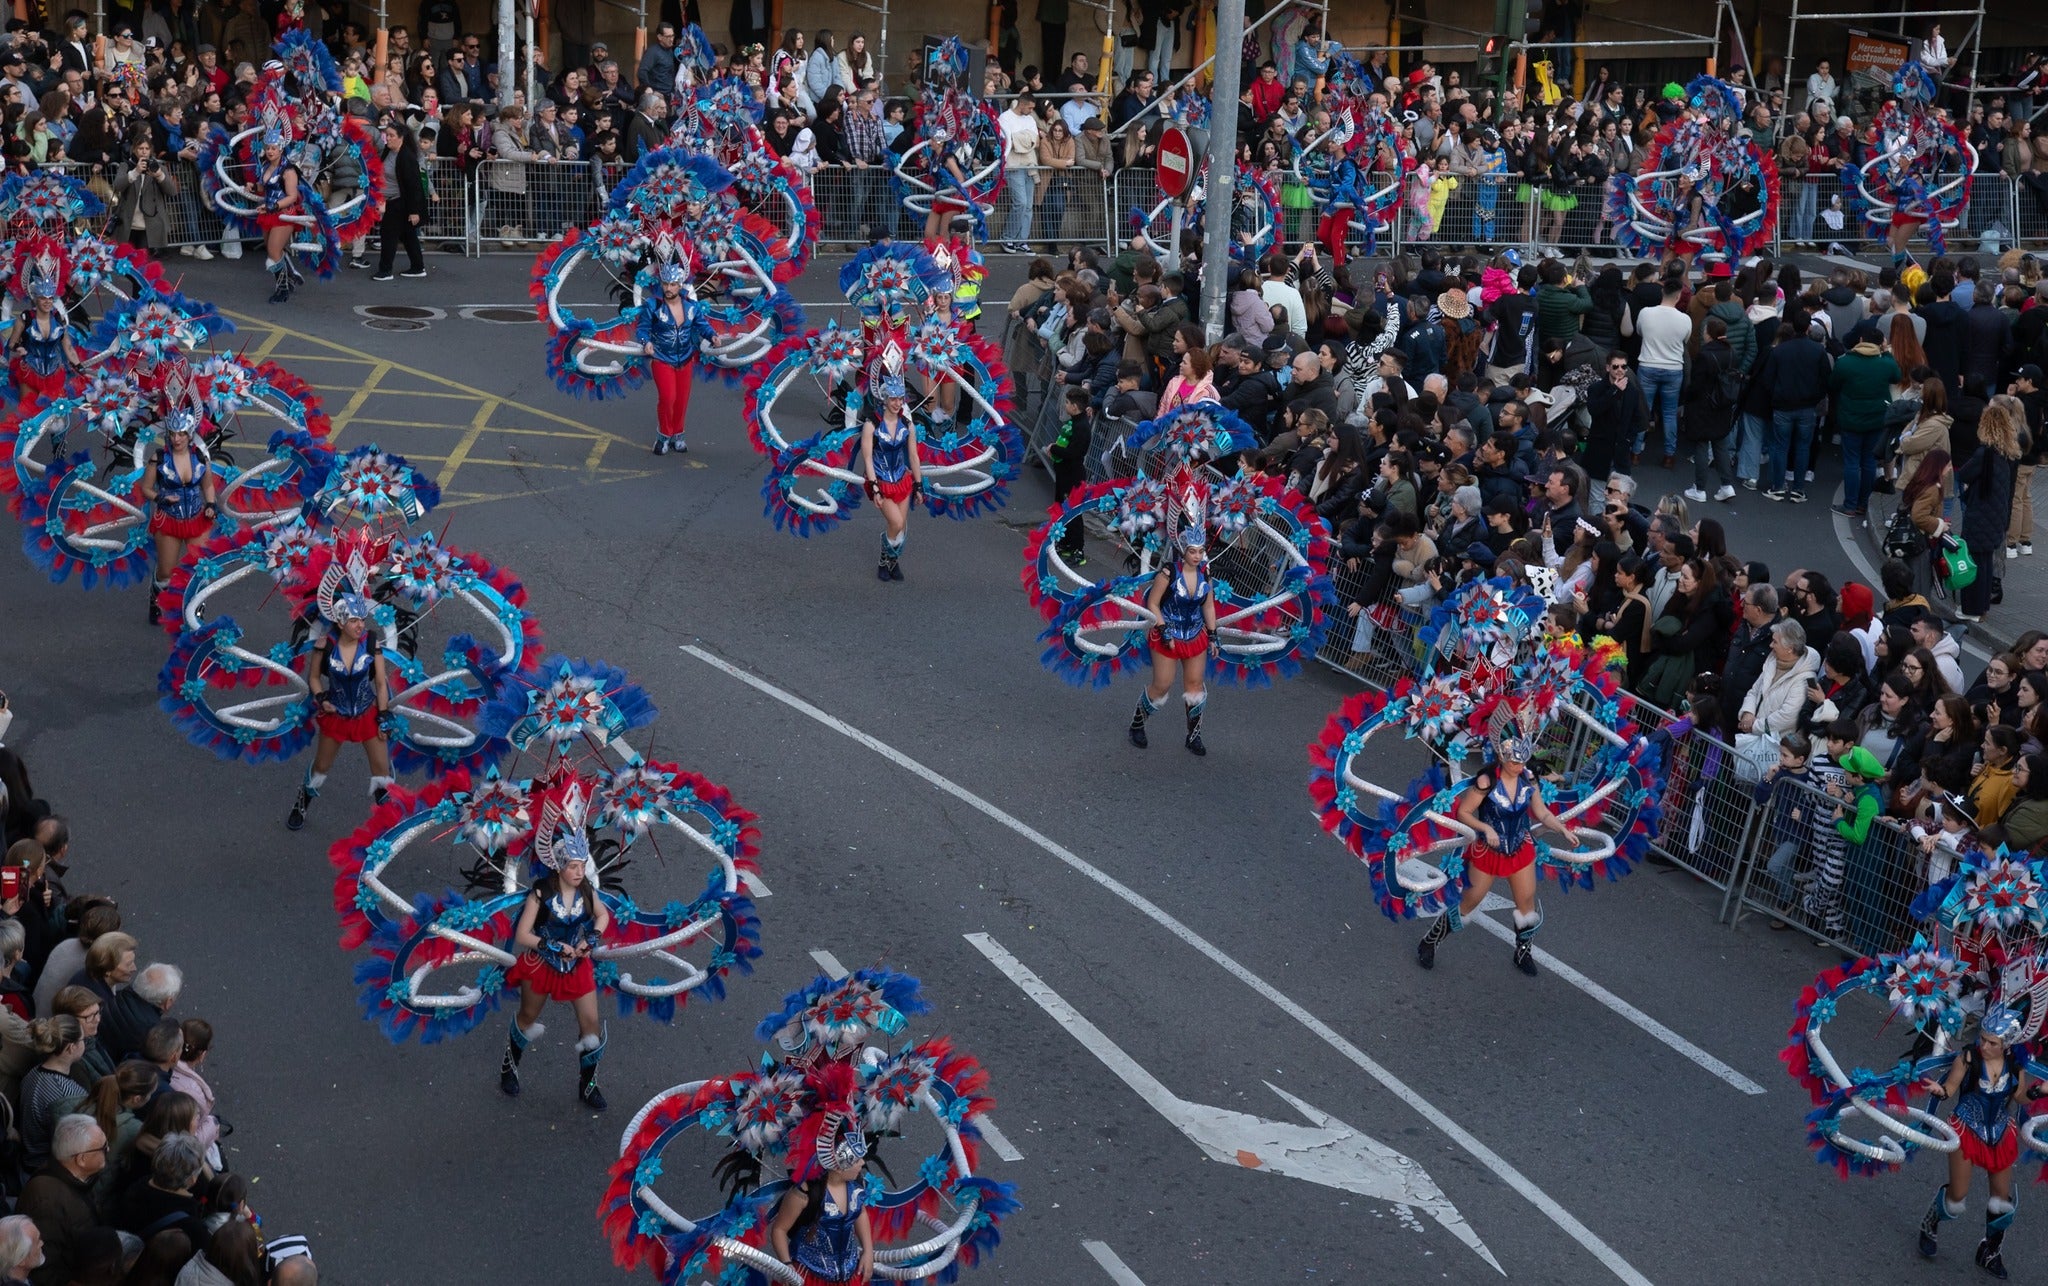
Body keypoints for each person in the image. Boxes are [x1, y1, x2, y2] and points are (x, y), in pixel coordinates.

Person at [1416, 727, 1583, 975]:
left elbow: (1542, 812)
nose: (1519, 766)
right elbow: (1463, 812)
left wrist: (1563, 830)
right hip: (1488, 852)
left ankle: (1523, 952)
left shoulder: (1528, 779)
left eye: (1522, 761)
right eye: (1515, 761)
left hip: (1520, 848)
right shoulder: (1486, 781)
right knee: (1470, 902)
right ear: (1503, 758)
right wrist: (1485, 828)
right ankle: (1430, 942)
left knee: (1526, 903)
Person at [498, 790, 614, 1111]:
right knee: (527, 1017)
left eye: (582, 866)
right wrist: (550, 944)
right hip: (541, 964)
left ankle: (588, 1084)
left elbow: (602, 915)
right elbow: (523, 933)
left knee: (590, 1024)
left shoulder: (587, 890)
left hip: (577, 965)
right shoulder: (540, 892)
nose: (580, 871)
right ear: (560, 866)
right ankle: (510, 1067)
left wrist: (590, 940)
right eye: (575, 866)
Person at [1917, 1004, 2035, 1279]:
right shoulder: (1969, 1058)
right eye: (1982, 1038)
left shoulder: (2015, 1066)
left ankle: (1989, 1251)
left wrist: (2038, 1092)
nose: (1983, 1045)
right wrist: (1939, 1090)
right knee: (1957, 1196)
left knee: (2001, 1201)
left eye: (1991, 1042)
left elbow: (2019, 1098)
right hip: (1966, 1129)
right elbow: (1950, 1088)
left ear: (2006, 1045)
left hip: (2000, 1133)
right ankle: (1930, 1223)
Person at [285, 569, 394, 831]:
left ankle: (389, 817)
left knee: (381, 771)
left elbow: (380, 682)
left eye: (362, 620)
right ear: (341, 622)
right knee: (321, 767)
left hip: (367, 714)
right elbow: (313, 678)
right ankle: (302, 801)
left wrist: (383, 714)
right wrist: (322, 699)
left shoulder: (371, 643)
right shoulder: (326, 645)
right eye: (354, 620)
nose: (360, 625)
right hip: (336, 717)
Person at [1128, 523, 1219, 756]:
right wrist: (1164, 629)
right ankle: (1137, 725)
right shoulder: (1168, 572)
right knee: (1162, 685)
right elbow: (1153, 603)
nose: (1197, 556)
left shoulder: (1205, 573)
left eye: (1200, 551)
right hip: (1166, 634)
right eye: (1192, 551)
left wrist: (1213, 636)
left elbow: (1208, 606)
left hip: (1195, 635)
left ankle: (1194, 735)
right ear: (1182, 550)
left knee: (1195, 686)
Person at [766, 1105, 876, 1284]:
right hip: (808, 1275)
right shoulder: (803, 1195)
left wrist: (868, 1250)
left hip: (850, 1272)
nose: (862, 1163)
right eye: (856, 1160)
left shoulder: (855, 1187)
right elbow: (779, 1229)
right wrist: (786, 1265)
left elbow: (860, 1213)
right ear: (839, 1166)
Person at [137, 408, 216, 627]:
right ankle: (157, 598)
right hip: (168, 520)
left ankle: (196, 612)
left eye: (181, 433)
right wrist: (160, 497)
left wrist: (210, 504)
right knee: (166, 571)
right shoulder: (159, 457)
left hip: (197, 519)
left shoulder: (200, 457)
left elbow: (207, 485)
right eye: (172, 433)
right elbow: (146, 488)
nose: (176, 438)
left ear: (190, 434)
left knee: (199, 568)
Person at [19, 1114, 118, 1286]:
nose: (108, 1149)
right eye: (103, 1147)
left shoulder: (79, 1177)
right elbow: (42, 1268)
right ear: (81, 1159)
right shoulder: (46, 1201)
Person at [1955, 394, 2022, 621]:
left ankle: (1971, 608)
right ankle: (1981, 608)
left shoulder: (1984, 453)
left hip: (1980, 514)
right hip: (1997, 515)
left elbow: (1964, 474)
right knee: (1984, 563)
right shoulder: (2007, 453)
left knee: (1975, 563)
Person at [637, 261, 710, 456]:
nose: (668, 288)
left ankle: (678, 434)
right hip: (662, 359)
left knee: (681, 400)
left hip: (686, 359)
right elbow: (642, 329)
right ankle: (663, 435)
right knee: (668, 398)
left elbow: (702, 325)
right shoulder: (652, 306)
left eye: (672, 284)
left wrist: (713, 336)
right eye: (665, 284)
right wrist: (646, 343)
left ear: (680, 285)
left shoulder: (692, 307)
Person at [858, 373, 923, 583]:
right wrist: (875, 487)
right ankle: (883, 559)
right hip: (881, 481)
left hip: (902, 479)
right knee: (895, 522)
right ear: (884, 399)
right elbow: (867, 458)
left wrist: (919, 485)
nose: (897, 403)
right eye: (893, 398)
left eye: (900, 398)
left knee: (901, 525)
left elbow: (913, 456)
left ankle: (891, 563)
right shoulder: (871, 425)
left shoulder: (907, 425)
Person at [19, 1016, 85, 1171]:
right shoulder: (67, 1095)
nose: (85, 1043)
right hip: (46, 1167)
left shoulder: (33, 1073)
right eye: (82, 1040)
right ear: (71, 1048)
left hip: (29, 1159)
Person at [7, 269, 79, 409]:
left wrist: (79, 365)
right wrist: (18, 348)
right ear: (36, 299)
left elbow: (68, 347)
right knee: (28, 414)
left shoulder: (58, 318)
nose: (47, 302)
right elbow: (12, 343)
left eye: (50, 298)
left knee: (57, 415)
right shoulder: (25, 318)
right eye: (43, 298)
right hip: (30, 372)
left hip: (54, 373)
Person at [370, 117, 429, 282]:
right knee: (408, 236)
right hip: (392, 199)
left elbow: (414, 186)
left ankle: (385, 270)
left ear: (401, 137)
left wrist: (414, 211)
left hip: (399, 202)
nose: (387, 138)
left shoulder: (406, 158)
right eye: (386, 135)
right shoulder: (389, 152)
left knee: (388, 234)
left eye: (391, 135)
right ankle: (418, 267)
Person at [251, 129, 306, 304]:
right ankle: (289, 276)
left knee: (273, 251)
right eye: (268, 148)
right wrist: (251, 187)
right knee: (272, 249)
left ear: (281, 149)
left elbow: (292, 196)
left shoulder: (288, 170)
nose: (270, 151)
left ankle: (282, 288)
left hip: (284, 214)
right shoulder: (265, 166)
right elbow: (262, 189)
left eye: (274, 148)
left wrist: (273, 206)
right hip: (268, 213)